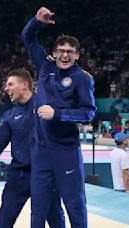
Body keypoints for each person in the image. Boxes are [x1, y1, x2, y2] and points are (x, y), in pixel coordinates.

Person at [21, 7, 96, 227]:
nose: (65, 54)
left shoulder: (82, 78)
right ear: (53, 53)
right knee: (39, 207)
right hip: (41, 151)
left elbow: (88, 113)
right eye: (61, 50)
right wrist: (36, 21)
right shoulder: (46, 66)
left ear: (77, 55)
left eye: (70, 51)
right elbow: (28, 39)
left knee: (74, 204)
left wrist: (57, 114)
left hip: (66, 152)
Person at [0, 69, 64, 228]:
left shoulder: (46, 105)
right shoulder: (10, 115)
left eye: (10, 84)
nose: (6, 88)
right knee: (5, 217)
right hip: (19, 174)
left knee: (55, 219)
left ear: (24, 85)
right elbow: (0, 139)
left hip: (46, 173)